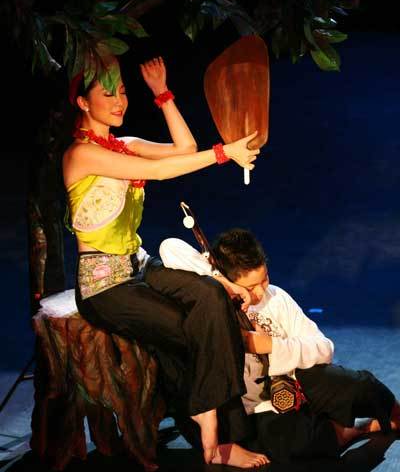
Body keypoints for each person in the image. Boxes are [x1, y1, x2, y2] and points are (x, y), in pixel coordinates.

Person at [62, 56, 268, 467]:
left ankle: (210, 420)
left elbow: (184, 149)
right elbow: (160, 172)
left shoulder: (124, 145)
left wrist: (162, 93)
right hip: (105, 287)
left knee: (211, 297)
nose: (120, 101)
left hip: (139, 266)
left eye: (123, 92)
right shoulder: (81, 155)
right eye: (108, 93)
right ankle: (215, 438)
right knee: (188, 328)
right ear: (83, 103)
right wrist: (224, 153)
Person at [160, 229, 400, 465]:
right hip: (250, 409)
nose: (260, 291)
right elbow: (170, 247)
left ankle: (395, 414)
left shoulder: (276, 297)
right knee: (296, 444)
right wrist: (221, 282)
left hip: (294, 385)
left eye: (264, 279)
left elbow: (324, 348)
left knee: (358, 384)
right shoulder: (214, 305)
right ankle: (355, 430)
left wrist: (270, 345)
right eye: (250, 287)